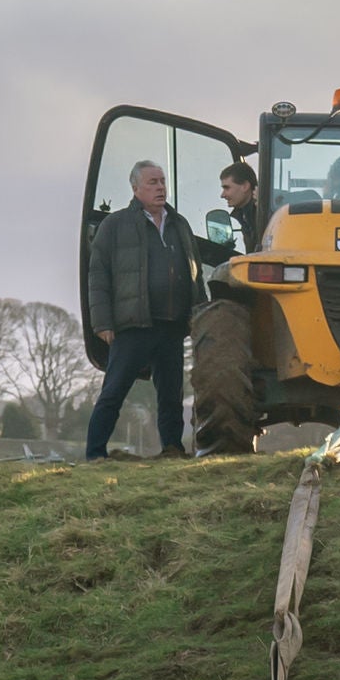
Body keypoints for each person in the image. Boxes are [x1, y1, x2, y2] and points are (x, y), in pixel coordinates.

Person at [82, 157, 197, 459]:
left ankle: (172, 448)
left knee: (172, 395)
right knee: (114, 391)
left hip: (172, 326)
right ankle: (95, 454)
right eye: (153, 183)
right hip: (134, 324)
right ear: (135, 189)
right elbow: (98, 275)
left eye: (162, 182)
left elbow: (193, 271)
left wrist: (197, 316)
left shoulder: (179, 224)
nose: (160, 188)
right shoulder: (115, 225)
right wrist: (102, 323)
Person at [198, 158, 263, 259]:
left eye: (227, 188)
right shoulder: (245, 217)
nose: (222, 195)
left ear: (245, 186)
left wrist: (263, 206)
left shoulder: (265, 215)